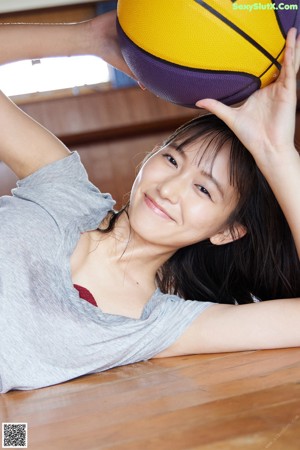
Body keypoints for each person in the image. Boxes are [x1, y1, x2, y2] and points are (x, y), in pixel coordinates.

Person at [0, 11, 299, 394]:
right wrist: (91, 39)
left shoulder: (159, 326)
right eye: (172, 159)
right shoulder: (62, 188)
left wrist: (277, 154)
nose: (169, 188)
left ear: (227, 232)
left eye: (203, 190)